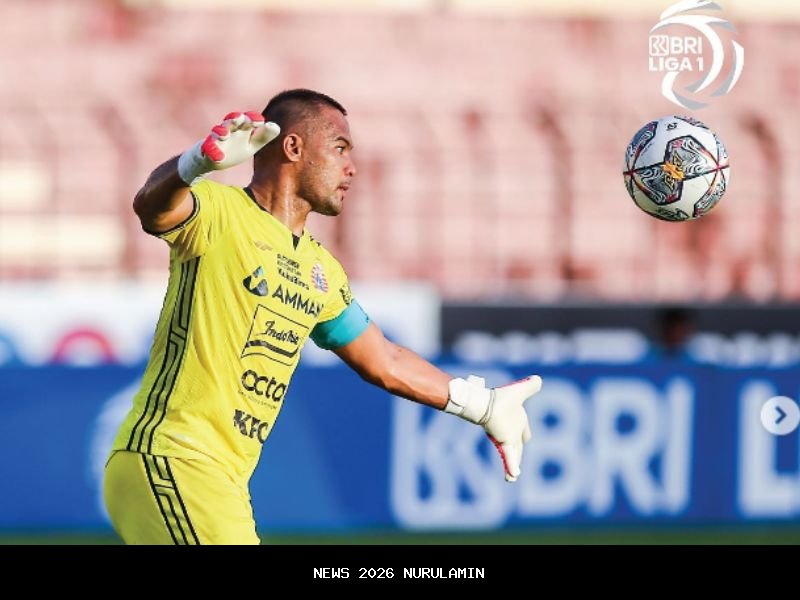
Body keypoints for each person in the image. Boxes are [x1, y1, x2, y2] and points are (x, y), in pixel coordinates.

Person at [103, 89, 543, 545]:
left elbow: (384, 360)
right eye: (339, 148)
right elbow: (151, 209)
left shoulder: (321, 272)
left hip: (223, 479)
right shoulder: (221, 212)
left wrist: (482, 405)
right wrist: (196, 162)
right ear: (293, 147)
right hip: (173, 457)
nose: (351, 168)